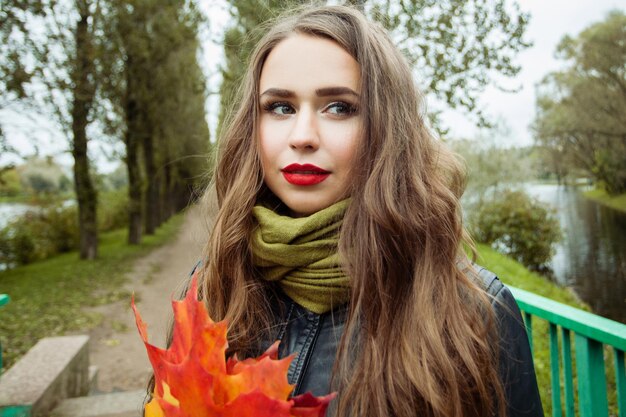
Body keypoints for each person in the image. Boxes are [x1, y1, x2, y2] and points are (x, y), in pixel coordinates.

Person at [154, 5, 544, 417]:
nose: (302, 136)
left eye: (338, 107)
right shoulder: (214, 288)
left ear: (386, 131)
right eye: (280, 107)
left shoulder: (473, 313)